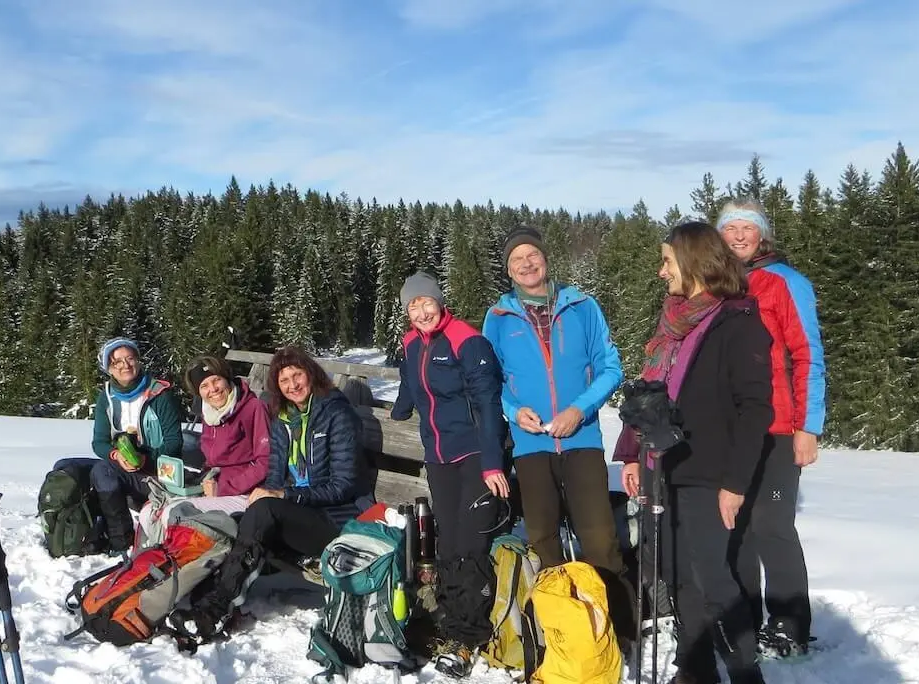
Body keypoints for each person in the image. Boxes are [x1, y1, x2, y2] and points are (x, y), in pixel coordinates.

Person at [616, 220, 772, 684]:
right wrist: (630, 453)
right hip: (666, 469)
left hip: (711, 473)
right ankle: (696, 669)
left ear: (693, 262)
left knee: (714, 580)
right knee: (678, 574)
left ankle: (746, 673)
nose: (661, 271)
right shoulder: (675, 323)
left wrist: (735, 483)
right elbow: (651, 393)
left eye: (667, 261)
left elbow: (755, 409)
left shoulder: (737, 322)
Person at [481, 224, 638, 645]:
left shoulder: (582, 306)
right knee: (543, 539)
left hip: (581, 439)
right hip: (531, 445)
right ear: (509, 271)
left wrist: (579, 409)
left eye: (532, 255)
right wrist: (514, 412)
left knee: (600, 538)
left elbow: (611, 368)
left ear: (545, 260)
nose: (527, 264)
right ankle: (561, 632)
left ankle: (619, 633)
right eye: (517, 260)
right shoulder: (498, 318)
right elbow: (488, 381)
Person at [190, 345, 374, 636]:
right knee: (241, 514)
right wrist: (268, 491)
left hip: (336, 521)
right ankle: (205, 599)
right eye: (284, 381)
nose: (292, 386)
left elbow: (343, 486)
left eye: (297, 376)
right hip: (302, 515)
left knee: (264, 510)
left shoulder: (337, 415)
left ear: (311, 374)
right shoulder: (284, 420)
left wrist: (286, 496)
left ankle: (218, 605)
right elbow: (275, 477)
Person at [717, 198, 825, 657]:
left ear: (763, 234)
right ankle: (744, 616)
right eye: (730, 228)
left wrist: (809, 425)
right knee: (734, 526)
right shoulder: (716, 286)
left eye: (749, 227)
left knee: (772, 524)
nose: (740, 235)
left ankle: (789, 624)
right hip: (730, 431)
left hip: (779, 430)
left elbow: (807, 354)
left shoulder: (785, 282)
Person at [391, 271, 509, 679]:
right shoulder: (411, 342)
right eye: (412, 306)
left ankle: (468, 636)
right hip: (438, 457)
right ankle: (448, 620)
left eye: (426, 302)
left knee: (469, 545)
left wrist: (493, 462)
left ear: (440, 302)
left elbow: (489, 403)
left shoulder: (467, 340)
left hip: (475, 455)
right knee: (447, 543)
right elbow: (411, 376)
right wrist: (402, 405)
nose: (421, 311)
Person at [53, 337, 183, 554]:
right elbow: (99, 442)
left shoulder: (159, 395)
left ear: (139, 361)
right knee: (67, 466)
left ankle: (121, 541)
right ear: (109, 369)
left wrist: (145, 458)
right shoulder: (106, 397)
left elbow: (174, 443)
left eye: (130, 358)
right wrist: (115, 455)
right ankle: (112, 536)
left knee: (101, 471)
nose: (125, 365)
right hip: (124, 467)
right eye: (117, 362)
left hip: (157, 472)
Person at [136, 355, 271, 542]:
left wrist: (224, 487)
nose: (213, 390)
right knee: (149, 512)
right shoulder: (211, 413)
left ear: (227, 379)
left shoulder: (254, 408)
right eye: (204, 386)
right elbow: (212, 461)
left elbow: (266, 460)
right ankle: (161, 558)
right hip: (214, 487)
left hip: (246, 493)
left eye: (216, 380)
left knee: (174, 514)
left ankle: (184, 560)